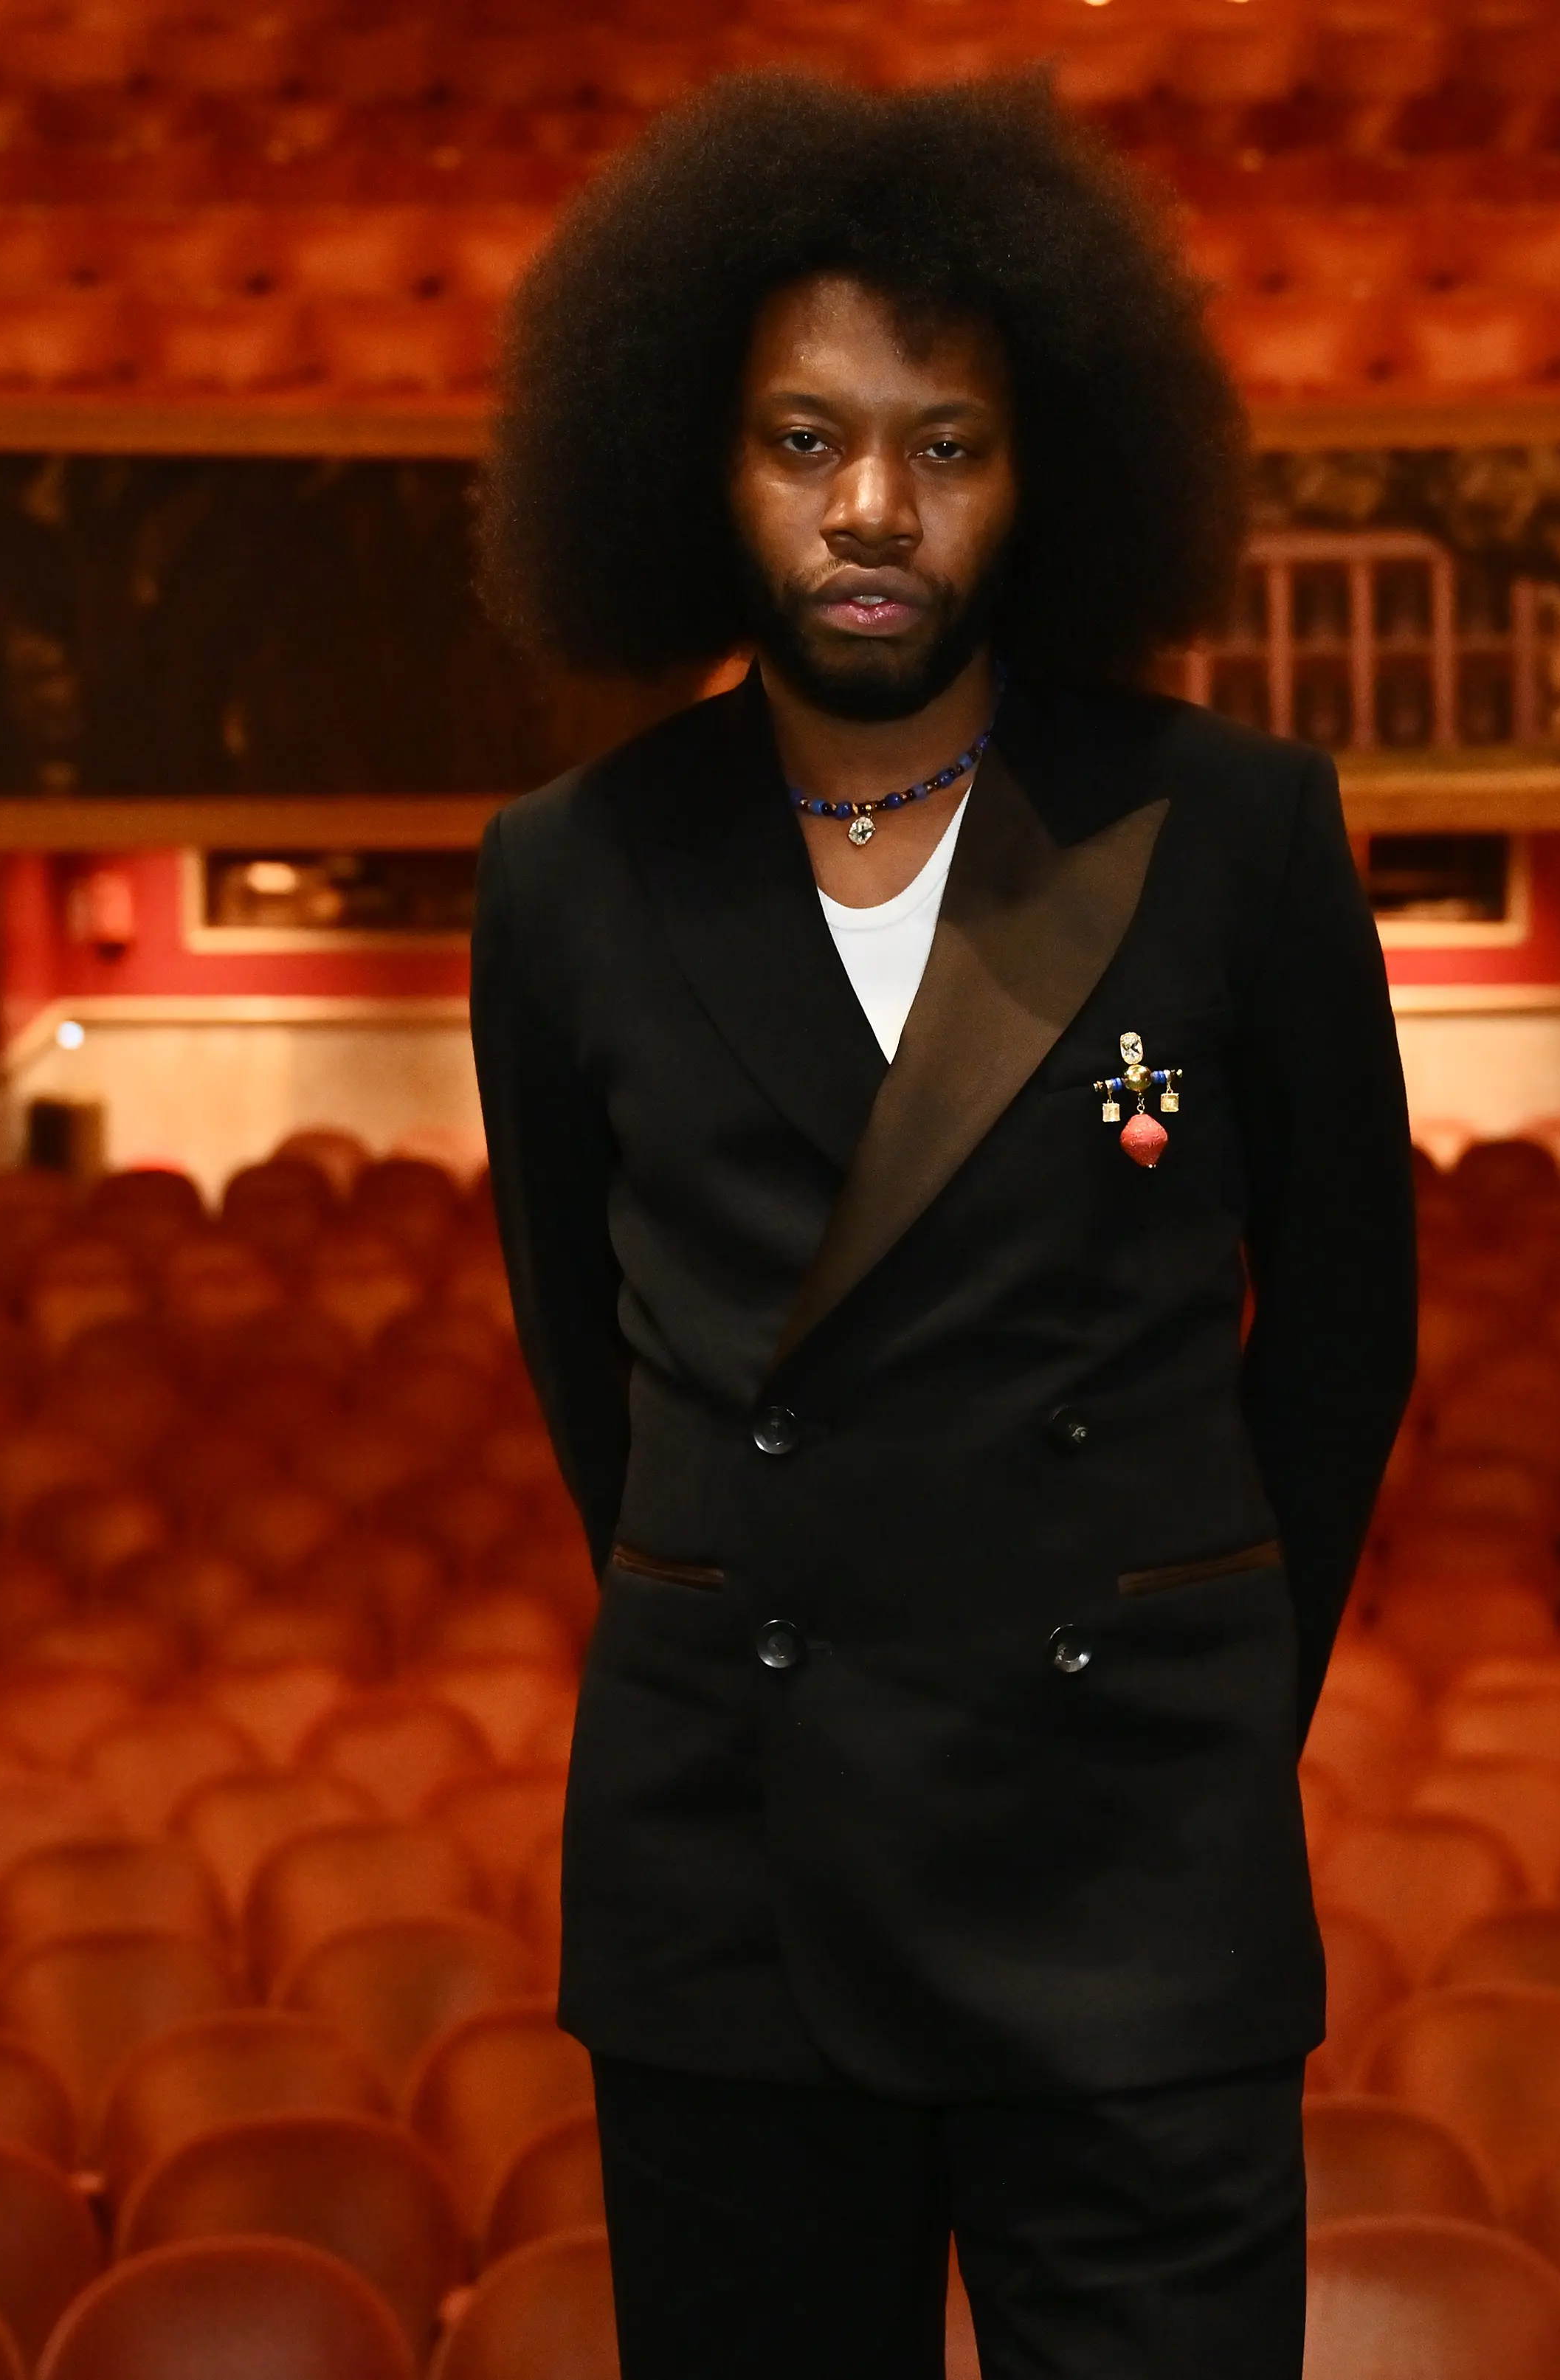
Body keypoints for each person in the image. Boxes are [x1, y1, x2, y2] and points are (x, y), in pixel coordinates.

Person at [464, 69, 1420, 2380]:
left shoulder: (1238, 830)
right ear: (693, 465)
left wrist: (1190, 1690)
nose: (873, 508)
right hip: (731, 1878)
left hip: (1134, 1867)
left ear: (1045, 468)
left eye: (945, 445)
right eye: (804, 442)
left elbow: (1346, 1338)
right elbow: (597, 1373)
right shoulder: (568, 875)